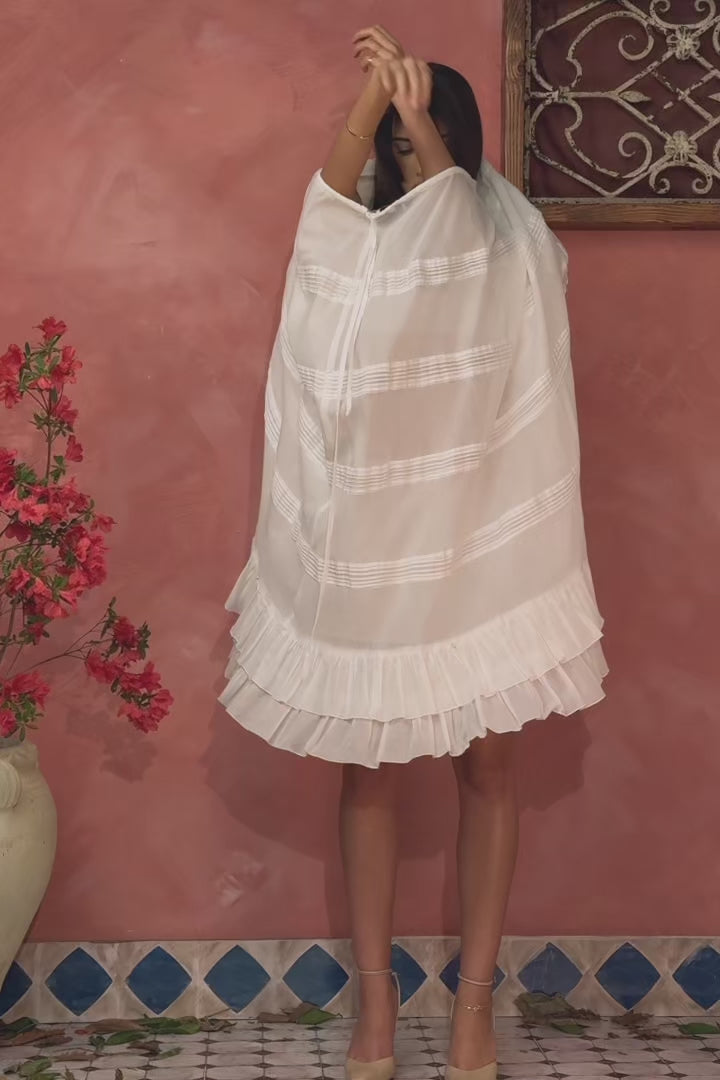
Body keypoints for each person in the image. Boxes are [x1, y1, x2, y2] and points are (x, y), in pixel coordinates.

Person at [221, 25, 607, 1080]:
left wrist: (419, 111)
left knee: (490, 767)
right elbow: (323, 214)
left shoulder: (502, 234)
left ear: (456, 139)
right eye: (391, 144)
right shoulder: (362, 246)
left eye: (418, 138)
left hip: (480, 538)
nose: (401, 155)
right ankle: (377, 1012)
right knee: (371, 771)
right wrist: (371, 104)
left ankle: (475, 1012)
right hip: (381, 550)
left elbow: (461, 226)